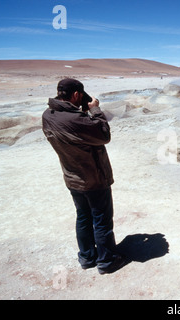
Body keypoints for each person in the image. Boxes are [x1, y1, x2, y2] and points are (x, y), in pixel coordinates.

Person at [42, 78, 128, 275]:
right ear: (75, 95)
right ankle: (107, 261)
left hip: (72, 176)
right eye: (80, 96)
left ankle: (87, 257)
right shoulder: (76, 119)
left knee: (83, 217)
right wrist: (95, 110)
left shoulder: (48, 115)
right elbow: (104, 135)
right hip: (93, 177)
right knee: (101, 219)